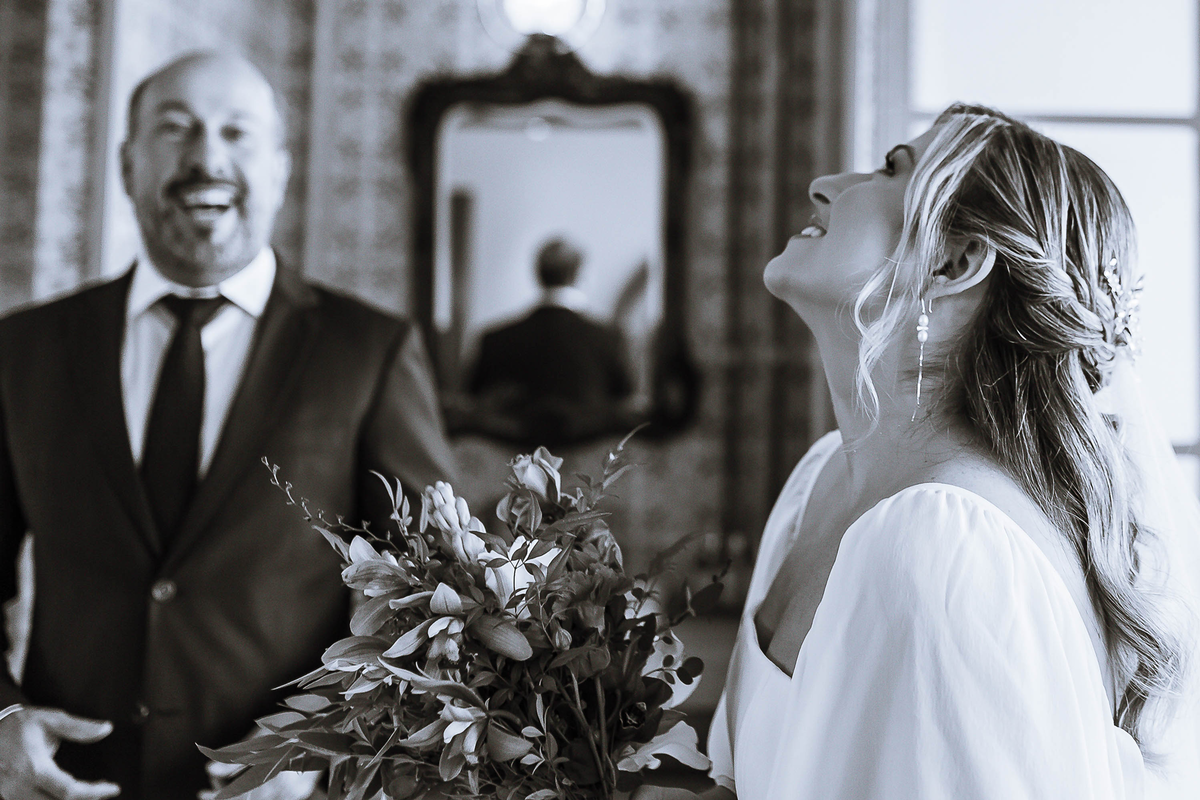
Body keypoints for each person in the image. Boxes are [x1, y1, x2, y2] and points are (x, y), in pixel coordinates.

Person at [635, 104, 1200, 799]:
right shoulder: (821, 480)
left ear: (955, 263)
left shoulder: (942, 546)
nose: (823, 185)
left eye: (887, 170)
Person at [0, 52, 457, 800]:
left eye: (236, 132)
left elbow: (436, 601)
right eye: (175, 127)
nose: (206, 157)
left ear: (280, 170)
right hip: (64, 786)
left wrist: (331, 743)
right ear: (127, 165)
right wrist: (2, 718)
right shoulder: (24, 348)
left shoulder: (368, 351)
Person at [466, 237, 633, 445]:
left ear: (537, 274)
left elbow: (474, 402)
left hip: (512, 460)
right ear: (581, 275)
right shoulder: (609, 339)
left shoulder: (494, 339)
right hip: (589, 458)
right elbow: (625, 403)